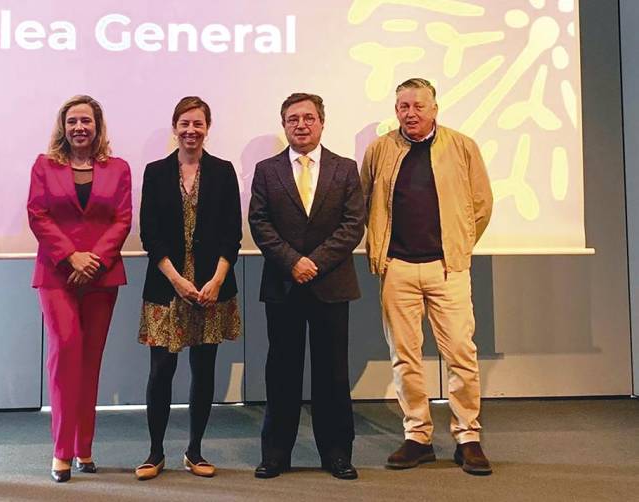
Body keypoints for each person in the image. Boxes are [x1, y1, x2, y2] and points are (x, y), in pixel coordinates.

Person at [360, 78, 494, 475]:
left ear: (434, 108)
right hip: (397, 267)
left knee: (461, 355)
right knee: (405, 357)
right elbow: (364, 200)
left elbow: (482, 204)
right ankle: (417, 436)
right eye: (403, 106)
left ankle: (467, 436)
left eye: (418, 105)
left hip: (447, 267)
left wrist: (459, 245)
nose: (410, 112)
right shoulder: (380, 149)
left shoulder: (462, 146)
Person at [248, 93, 365, 481]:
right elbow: (260, 222)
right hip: (283, 284)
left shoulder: (345, 169)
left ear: (322, 122)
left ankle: (336, 454)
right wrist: (292, 261)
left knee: (332, 374)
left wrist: (314, 262)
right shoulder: (267, 170)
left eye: (309, 118)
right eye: (293, 119)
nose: (301, 124)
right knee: (281, 372)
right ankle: (276, 454)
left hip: (331, 284)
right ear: (284, 125)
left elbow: (353, 225)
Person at [135, 96, 242, 480]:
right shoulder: (155, 172)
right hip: (168, 287)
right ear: (175, 127)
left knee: (204, 370)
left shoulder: (224, 171)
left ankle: (195, 451)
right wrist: (178, 280)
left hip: (212, 289)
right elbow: (150, 234)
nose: (191, 130)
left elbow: (233, 234)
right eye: (184, 123)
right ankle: (154, 452)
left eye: (198, 124)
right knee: (161, 371)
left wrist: (215, 280)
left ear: (207, 128)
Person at [27, 95, 132, 483]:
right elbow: (37, 214)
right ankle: (61, 451)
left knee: (90, 362)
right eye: (72, 121)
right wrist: (72, 256)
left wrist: (95, 259)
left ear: (97, 125)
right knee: (65, 355)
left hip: (102, 276)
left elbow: (122, 220)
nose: (79, 128)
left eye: (86, 121)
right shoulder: (44, 165)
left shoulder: (118, 168)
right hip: (57, 275)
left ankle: (83, 447)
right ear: (63, 126)